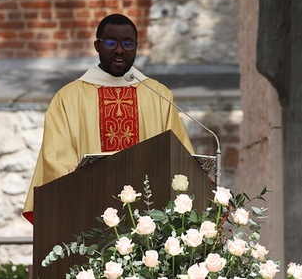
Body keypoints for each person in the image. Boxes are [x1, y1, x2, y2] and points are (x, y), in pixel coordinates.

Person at [23, 13, 194, 222]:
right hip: (88, 214)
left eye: (128, 43)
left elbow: (178, 154)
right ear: (97, 46)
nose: (120, 50)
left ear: (137, 46)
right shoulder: (68, 98)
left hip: (150, 217)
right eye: (111, 42)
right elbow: (56, 161)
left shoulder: (157, 94)